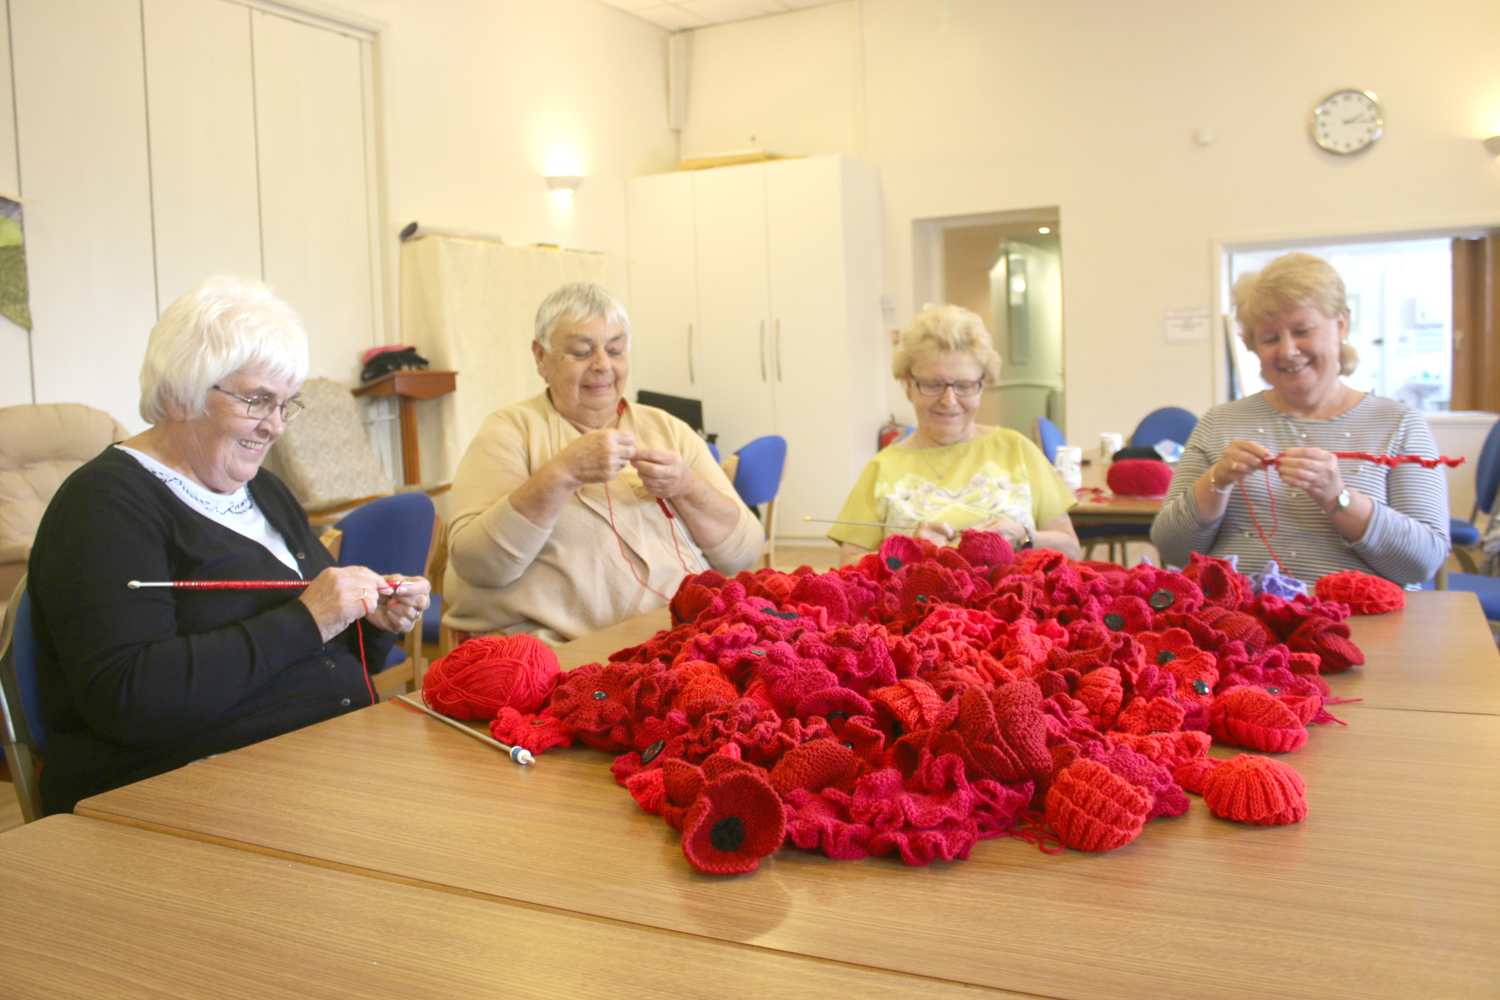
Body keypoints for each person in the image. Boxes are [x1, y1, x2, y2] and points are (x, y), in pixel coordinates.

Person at [27, 276, 431, 816]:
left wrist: (369, 623)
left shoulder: (263, 489)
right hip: (176, 796)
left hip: (317, 768)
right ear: (177, 396)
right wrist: (307, 619)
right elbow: (128, 699)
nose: (276, 427)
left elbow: (324, 657)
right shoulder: (103, 505)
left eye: (287, 404)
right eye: (258, 401)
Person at [442, 282, 761, 645]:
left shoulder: (668, 429)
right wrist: (562, 474)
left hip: (690, 636)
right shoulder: (510, 432)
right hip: (572, 654)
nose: (602, 366)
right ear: (541, 357)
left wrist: (687, 486)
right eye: (581, 352)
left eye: (615, 350)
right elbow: (477, 564)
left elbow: (745, 552)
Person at [1152, 252, 1448, 586]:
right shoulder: (1219, 422)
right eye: (1270, 338)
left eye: (1302, 330)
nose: (1288, 350)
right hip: (1235, 623)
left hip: (1357, 623)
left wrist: (1339, 498)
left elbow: (1424, 562)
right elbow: (1172, 548)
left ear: (1341, 325)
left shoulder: (1399, 424)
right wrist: (1217, 482)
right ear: (1253, 346)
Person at [829, 304, 1081, 565]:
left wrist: (1025, 537)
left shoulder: (1017, 448)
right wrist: (908, 552)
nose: (949, 401)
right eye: (933, 384)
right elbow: (848, 564)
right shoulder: (882, 467)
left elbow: (1072, 549)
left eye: (964, 386)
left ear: (982, 385)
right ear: (908, 385)